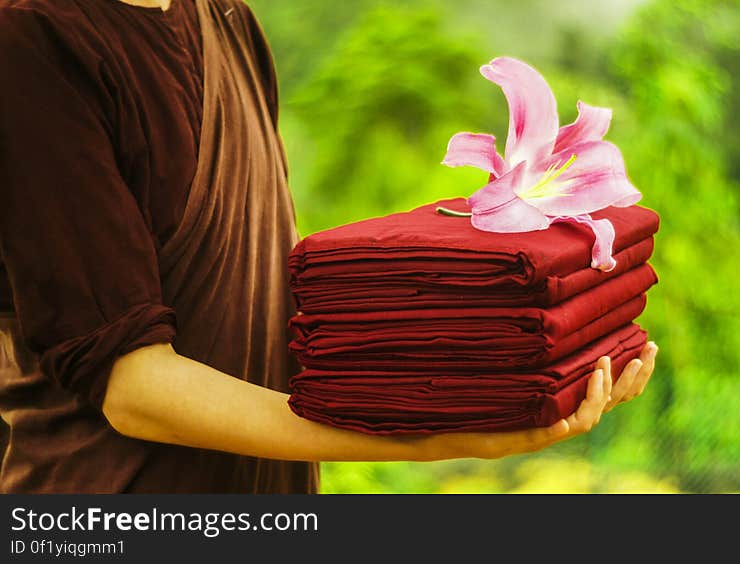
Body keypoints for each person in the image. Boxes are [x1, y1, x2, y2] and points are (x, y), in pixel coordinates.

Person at [0, 0, 658, 494]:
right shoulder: (28, 38)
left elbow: (268, 304)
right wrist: (434, 441)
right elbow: (133, 385)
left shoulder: (223, 18)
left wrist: (504, 367)